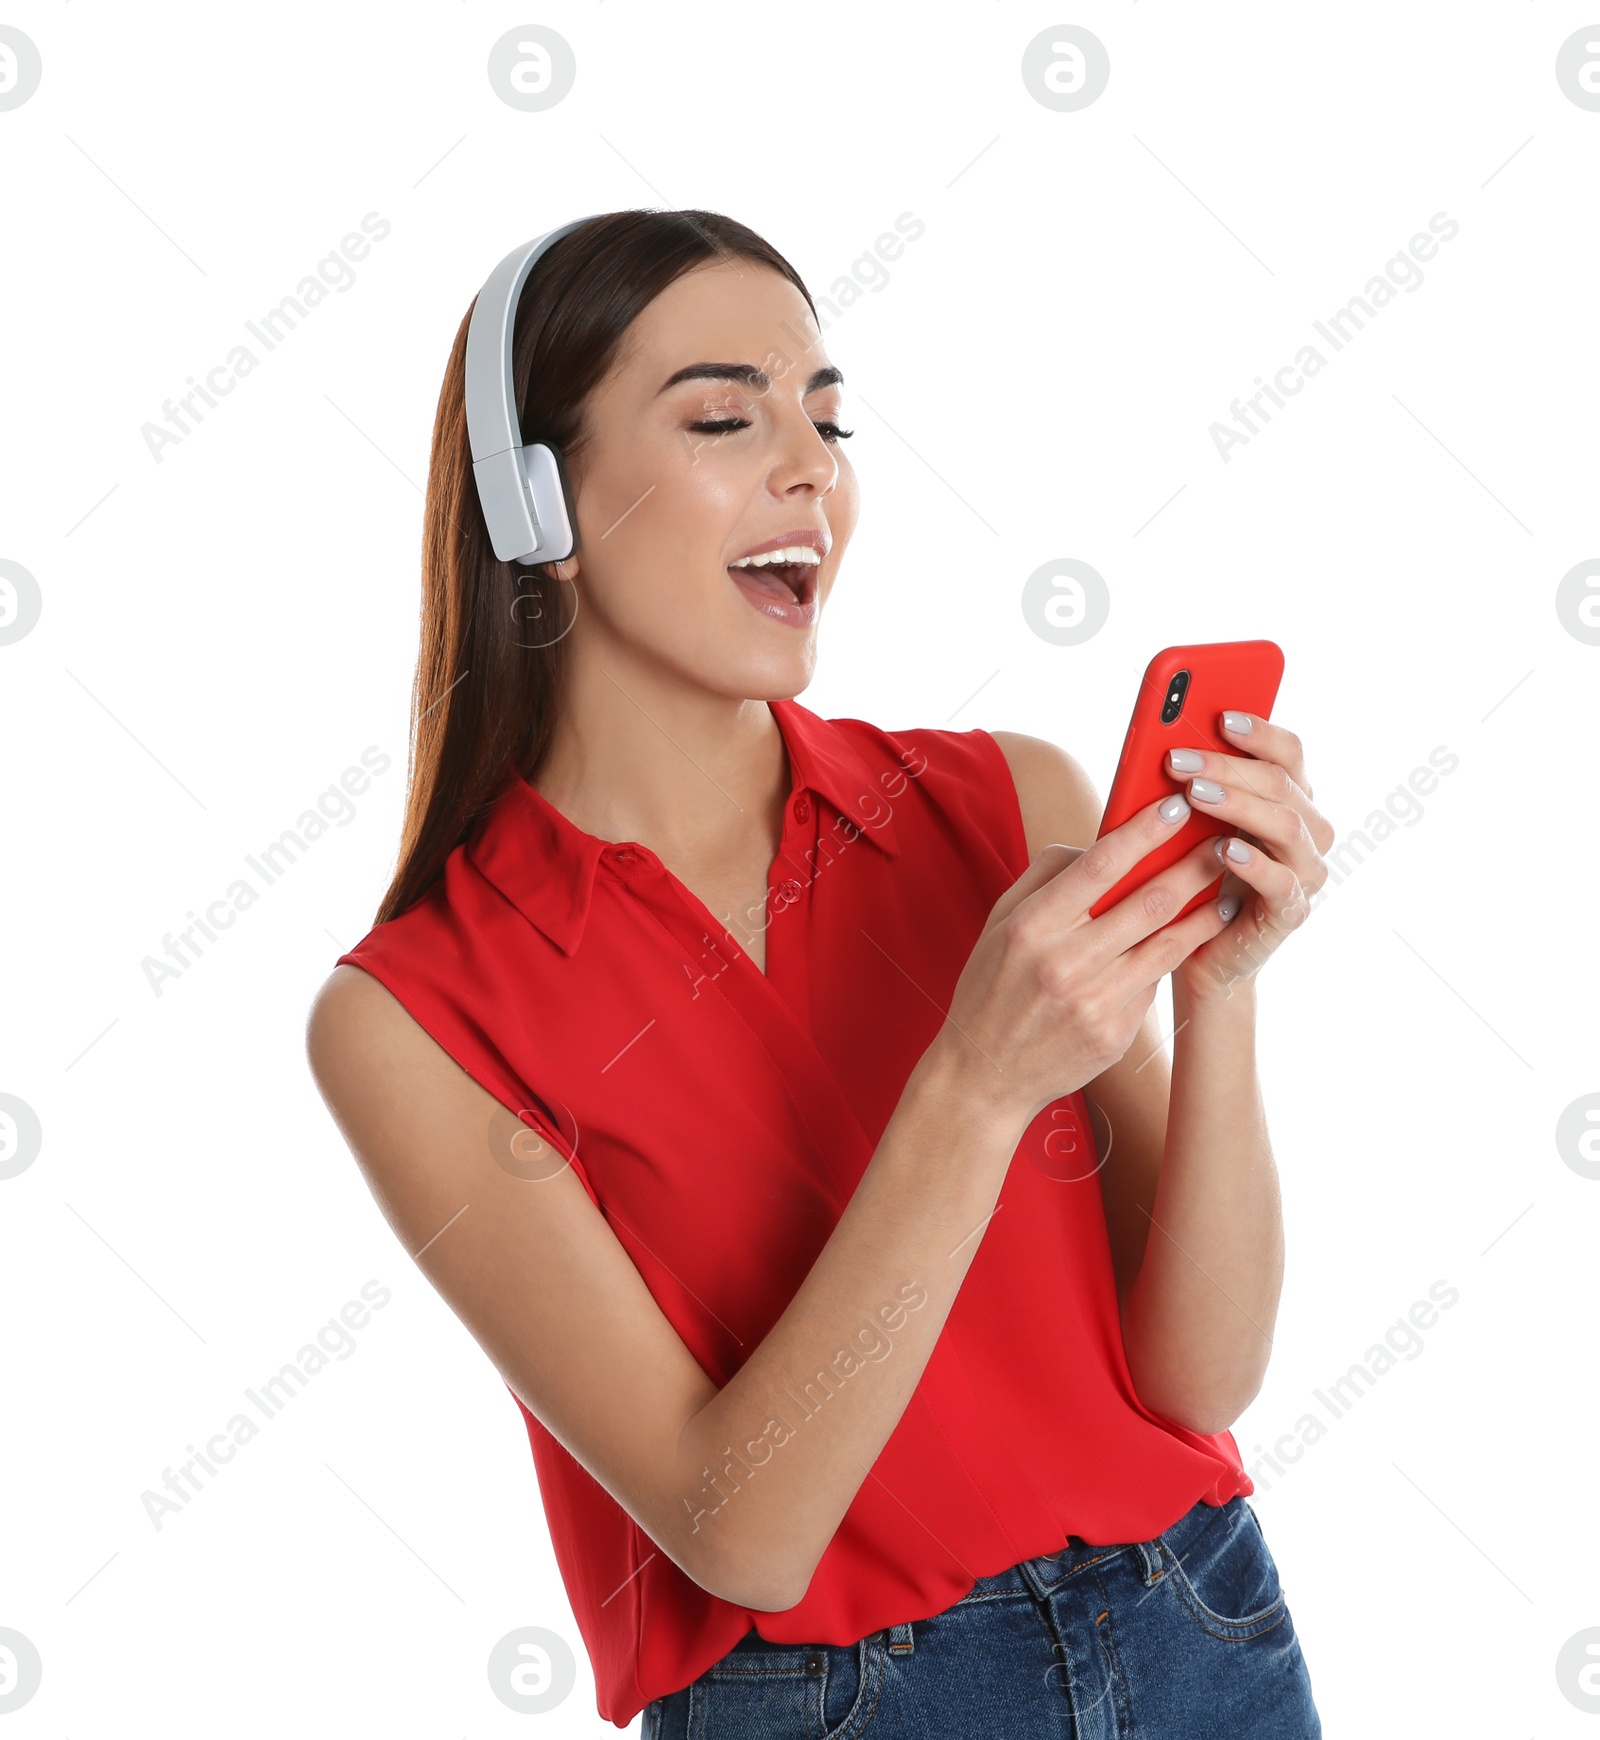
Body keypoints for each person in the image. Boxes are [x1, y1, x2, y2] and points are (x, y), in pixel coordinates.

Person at [305, 209, 1332, 1736]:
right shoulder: (410, 1018)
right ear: (537, 506)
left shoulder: (1011, 805)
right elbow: (739, 1531)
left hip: (1201, 1628)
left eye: (828, 418)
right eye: (727, 416)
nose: (812, 469)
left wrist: (1220, 987)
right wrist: (977, 1086)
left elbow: (1201, 1382)